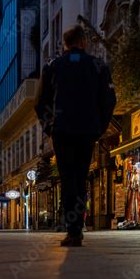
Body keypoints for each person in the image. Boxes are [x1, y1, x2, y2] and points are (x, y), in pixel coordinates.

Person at [35, 24, 116, 247]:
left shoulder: (53, 67)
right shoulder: (98, 66)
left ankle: (72, 230)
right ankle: (77, 228)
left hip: (62, 130)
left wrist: (49, 126)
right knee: (81, 178)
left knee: (67, 178)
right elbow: (109, 99)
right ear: (83, 42)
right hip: (87, 129)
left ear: (65, 44)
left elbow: (40, 102)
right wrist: (100, 126)